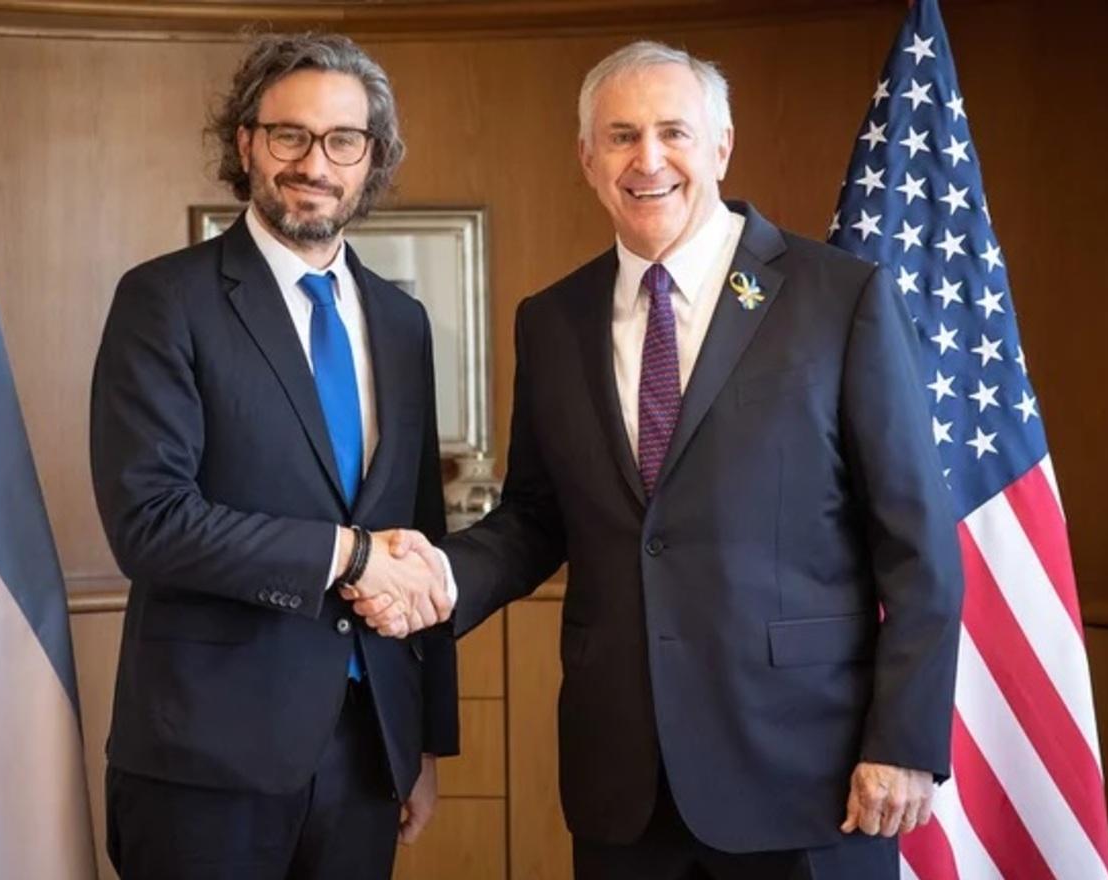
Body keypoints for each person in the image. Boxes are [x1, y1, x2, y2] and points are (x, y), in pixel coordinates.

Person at [361, 40, 964, 879]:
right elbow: (537, 516)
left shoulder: (837, 297)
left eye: (673, 132)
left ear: (719, 147)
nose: (647, 159)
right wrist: (440, 579)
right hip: (624, 781)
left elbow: (917, 542)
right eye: (619, 136)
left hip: (809, 774)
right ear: (585, 158)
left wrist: (903, 741)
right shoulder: (552, 319)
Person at [90, 32, 456, 880]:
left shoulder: (401, 325)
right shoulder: (164, 300)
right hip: (204, 763)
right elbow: (150, 523)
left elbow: (420, 532)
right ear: (246, 141)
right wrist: (350, 554)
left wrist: (422, 741)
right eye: (288, 134)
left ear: (371, 159)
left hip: (367, 753)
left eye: (342, 141)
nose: (314, 163)